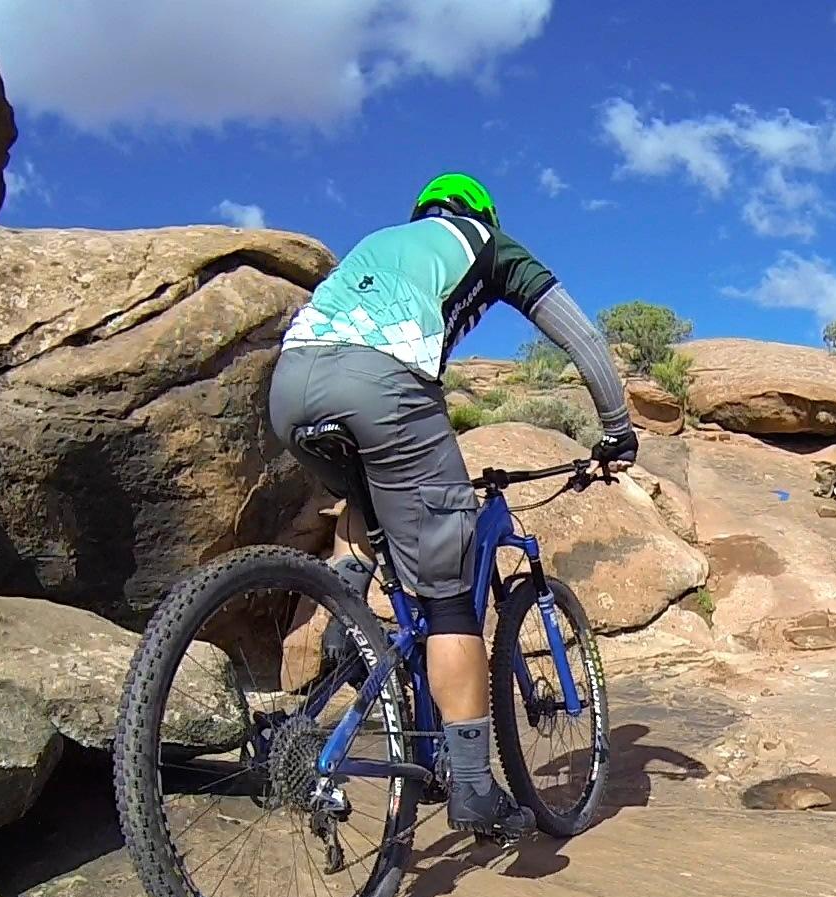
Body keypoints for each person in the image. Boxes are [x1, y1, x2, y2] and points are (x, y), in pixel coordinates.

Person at [267, 172, 636, 840]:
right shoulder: (486, 243)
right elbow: (578, 334)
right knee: (448, 603)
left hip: (290, 385)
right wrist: (616, 427)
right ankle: (472, 788)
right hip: (380, 384)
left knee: (365, 495)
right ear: (481, 215)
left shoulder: (380, 244)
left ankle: (345, 630)